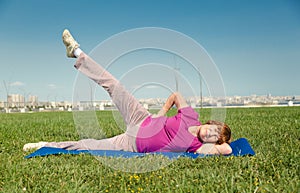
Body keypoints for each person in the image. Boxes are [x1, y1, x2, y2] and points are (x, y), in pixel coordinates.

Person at [23, 29, 232, 155]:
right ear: (209, 123)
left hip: (131, 144)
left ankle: (43, 145)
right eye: (214, 129)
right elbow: (176, 95)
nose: (211, 134)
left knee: (88, 145)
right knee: (115, 85)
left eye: (215, 137)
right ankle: (76, 52)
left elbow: (227, 150)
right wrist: (161, 113)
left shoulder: (197, 147)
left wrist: (221, 141)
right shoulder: (190, 116)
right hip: (142, 119)